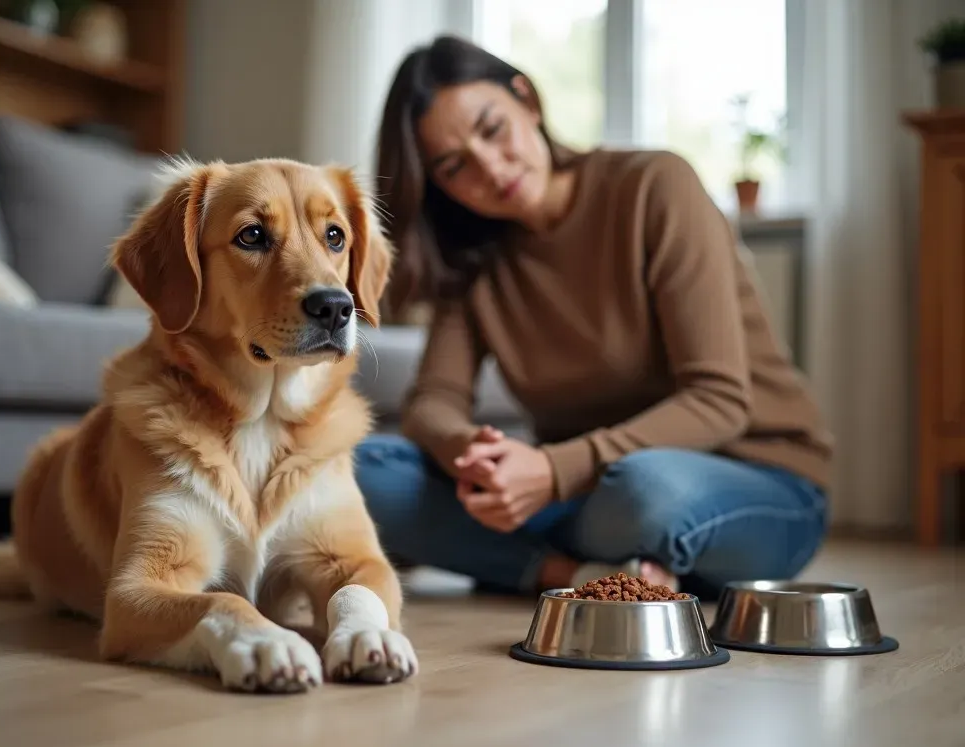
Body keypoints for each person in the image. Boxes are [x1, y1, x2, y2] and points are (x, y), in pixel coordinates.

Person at [354, 35, 833, 600]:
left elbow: (720, 399)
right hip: (583, 492)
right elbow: (431, 403)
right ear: (438, 186)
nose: (489, 166)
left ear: (526, 100)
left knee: (645, 492)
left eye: (492, 128)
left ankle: (532, 555)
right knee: (359, 466)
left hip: (754, 481)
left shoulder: (655, 187)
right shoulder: (474, 258)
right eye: (455, 166)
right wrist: (477, 454)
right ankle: (578, 575)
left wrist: (554, 471)